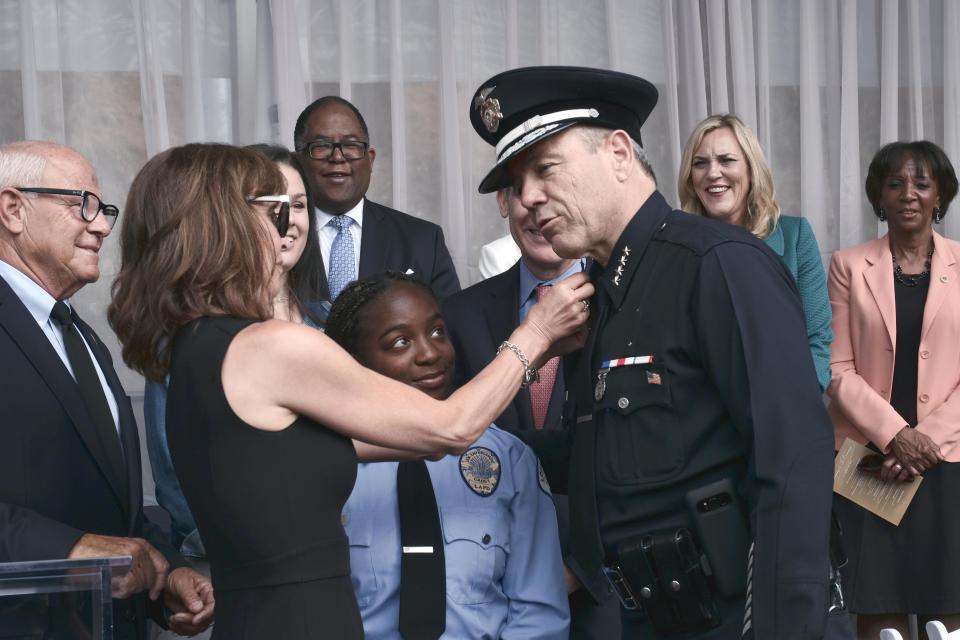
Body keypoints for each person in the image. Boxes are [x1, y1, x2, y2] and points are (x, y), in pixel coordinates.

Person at [107, 143, 592, 639]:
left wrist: (540, 356)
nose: (283, 226)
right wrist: (535, 334)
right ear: (223, 225)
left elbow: (397, 439)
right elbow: (451, 428)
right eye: (268, 210)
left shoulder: (195, 351)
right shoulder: (267, 349)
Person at [469, 66, 852, 639]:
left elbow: (792, 459)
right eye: (517, 182)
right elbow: (605, 452)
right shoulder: (604, 293)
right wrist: (461, 441)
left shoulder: (716, 263)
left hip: (744, 619)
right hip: (656, 616)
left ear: (619, 152)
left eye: (545, 168)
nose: (526, 197)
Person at [0, 141, 213, 639]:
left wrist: (169, 569)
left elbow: (113, 505)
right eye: (83, 205)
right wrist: (72, 549)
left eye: (105, 211)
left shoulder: (81, 336)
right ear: (13, 209)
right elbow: (85, 540)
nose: (102, 226)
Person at [327, 272, 570, 639]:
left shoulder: (508, 460)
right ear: (354, 363)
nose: (429, 353)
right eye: (400, 342)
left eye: (437, 331)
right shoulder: (326, 464)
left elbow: (538, 613)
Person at [443, 186, 620, 638]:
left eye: (554, 192)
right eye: (518, 195)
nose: (537, 211)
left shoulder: (622, 305)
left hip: (610, 574)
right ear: (502, 203)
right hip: (495, 577)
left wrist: (584, 564)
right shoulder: (459, 315)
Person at [827, 140, 960, 639]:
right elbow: (837, 368)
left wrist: (922, 444)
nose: (909, 194)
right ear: (878, 196)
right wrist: (895, 436)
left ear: (940, 196)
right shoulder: (847, 264)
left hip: (949, 458)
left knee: (947, 614)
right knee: (878, 612)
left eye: (922, 184)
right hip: (868, 456)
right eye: (895, 183)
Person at [678, 114, 833, 391]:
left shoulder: (795, 236)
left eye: (726, 160)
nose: (713, 173)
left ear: (751, 169)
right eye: (700, 163)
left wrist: (795, 405)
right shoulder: (676, 247)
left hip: (786, 410)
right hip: (704, 421)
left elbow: (817, 340)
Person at [293, 96, 461, 300]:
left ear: (370, 159)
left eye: (351, 145)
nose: (338, 157)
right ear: (297, 161)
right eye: (322, 146)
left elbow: (448, 326)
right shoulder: (276, 237)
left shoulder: (423, 241)